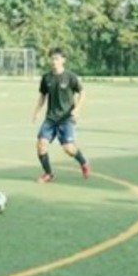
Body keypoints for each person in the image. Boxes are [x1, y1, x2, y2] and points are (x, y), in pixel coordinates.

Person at [33, 48, 91, 182]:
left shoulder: (70, 77)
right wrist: (36, 112)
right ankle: (48, 173)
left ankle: (83, 162)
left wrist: (77, 109)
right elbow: (42, 96)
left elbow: (82, 92)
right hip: (50, 119)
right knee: (41, 145)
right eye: (52, 59)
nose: (54, 61)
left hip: (66, 119)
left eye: (57, 59)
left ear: (63, 60)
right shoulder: (46, 77)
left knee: (68, 149)